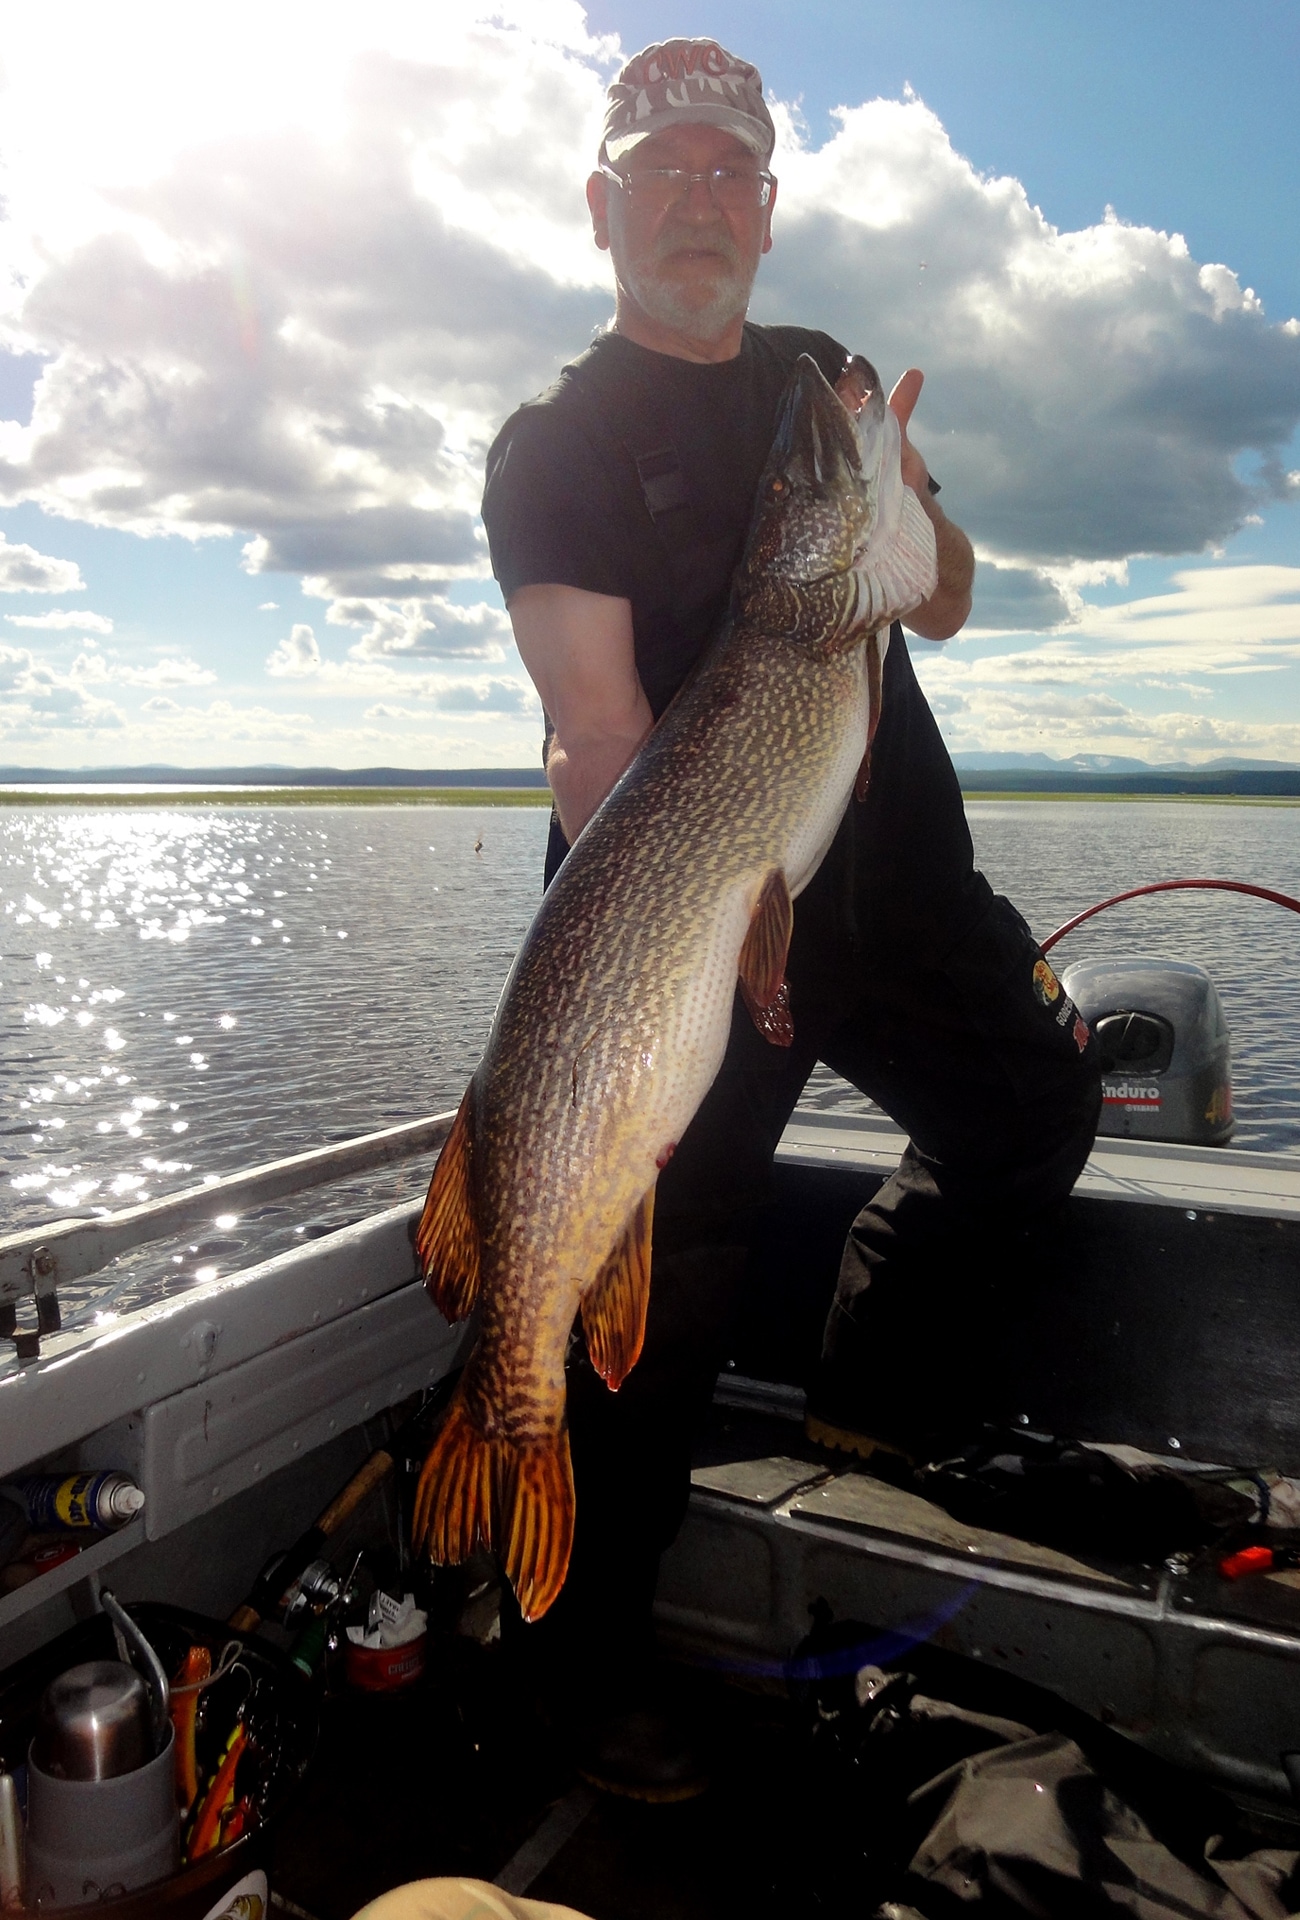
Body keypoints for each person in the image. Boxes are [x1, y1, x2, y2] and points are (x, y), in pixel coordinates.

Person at [480, 38, 1101, 1800]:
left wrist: (912, 532)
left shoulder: (824, 381)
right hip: (698, 920)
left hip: (897, 886)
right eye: (661, 171)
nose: (697, 200)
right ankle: (573, 1660)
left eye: (727, 173)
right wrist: (639, 974)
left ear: (765, 209)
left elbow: (947, 596)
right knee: (650, 1288)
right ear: (603, 206)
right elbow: (595, 734)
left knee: (1035, 1110)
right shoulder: (555, 449)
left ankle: (870, 1391)